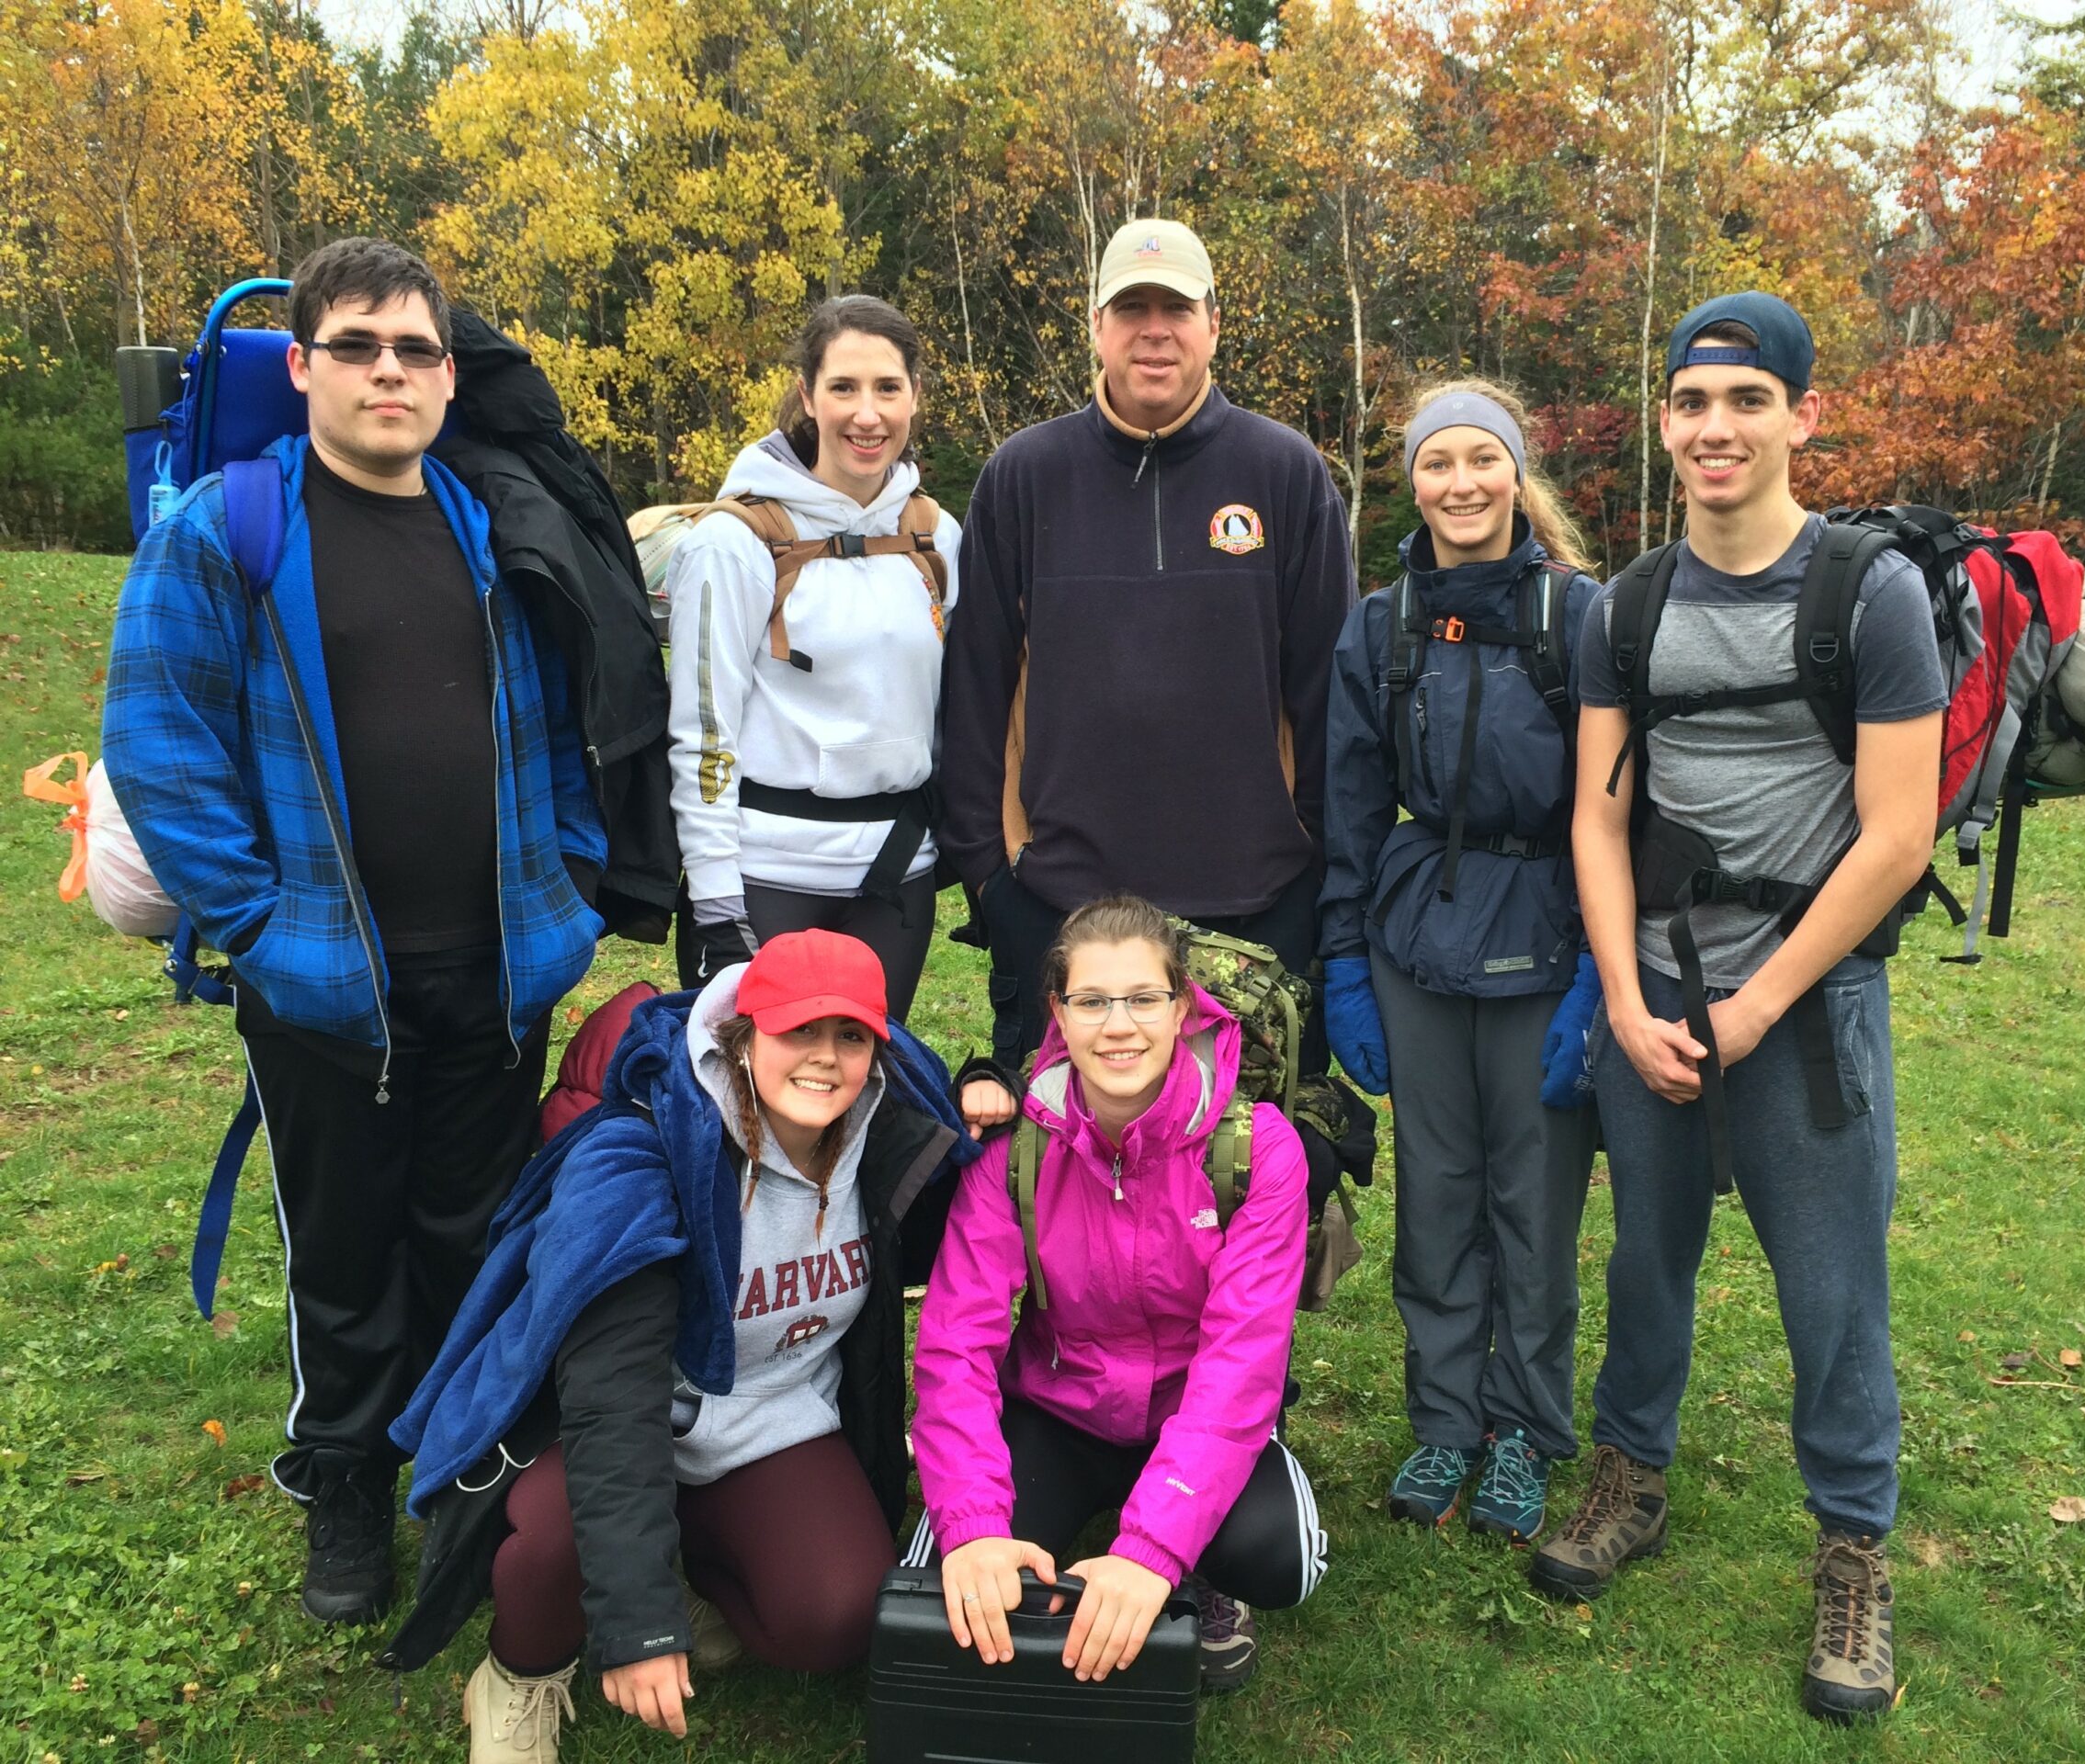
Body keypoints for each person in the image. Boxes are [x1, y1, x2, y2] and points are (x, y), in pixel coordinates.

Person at [102, 237, 605, 1625]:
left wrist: (568, 864)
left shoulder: (491, 525)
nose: (391, 371)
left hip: (496, 968)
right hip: (324, 981)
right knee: (343, 1245)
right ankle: (342, 1489)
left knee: (470, 1235)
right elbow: (160, 748)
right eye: (360, 346)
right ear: (306, 365)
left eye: (416, 350)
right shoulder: (227, 529)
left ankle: (456, 1469)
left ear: (448, 376)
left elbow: (556, 727)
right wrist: (263, 929)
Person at [1535, 292, 1944, 1724]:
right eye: (1693, 404)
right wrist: (1622, 996)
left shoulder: (1868, 595)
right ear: (1667, 422)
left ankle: (1852, 1551)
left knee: (1833, 1289)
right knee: (1648, 1257)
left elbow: (1899, 831)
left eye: (1747, 402)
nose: (1717, 429)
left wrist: (1762, 1006)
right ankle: (1629, 1479)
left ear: (1801, 418)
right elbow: (1597, 818)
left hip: (1807, 1006)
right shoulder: (1628, 604)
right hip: (1651, 996)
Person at [385, 932, 971, 1761]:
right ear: (743, 1034)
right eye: (797, 1031)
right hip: (614, 1419)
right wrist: (637, 1621)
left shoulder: (884, 1132)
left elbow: (978, 1179)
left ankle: (696, 1560)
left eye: (850, 1036)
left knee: (838, 1613)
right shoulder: (644, 1158)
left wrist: (991, 1087)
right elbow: (611, 1396)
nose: (825, 1058)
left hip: (769, 1415)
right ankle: (521, 1674)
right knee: (558, 1538)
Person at [938, 219, 1355, 1066]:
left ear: (1212, 324)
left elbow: (1330, 695)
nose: (1154, 328)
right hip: (1060, 907)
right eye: (1132, 307)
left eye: (1176, 306)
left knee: (1245, 1178)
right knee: (1064, 1181)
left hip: (1255, 904)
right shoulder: (1023, 475)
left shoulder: (1284, 471)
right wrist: (990, 876)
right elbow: (974, 687)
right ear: (1097, 325)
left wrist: (1312, 870)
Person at [907, 896, 1329, 1695]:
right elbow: (957, 1343)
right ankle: (1073, 1530)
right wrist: (971, 1528)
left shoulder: (1258, 1148)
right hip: (1058, 1411)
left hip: (1190, 1409)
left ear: (1183, 1008)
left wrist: (1152, 1554)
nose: (1119, 1026)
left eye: (1144, 999)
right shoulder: (1017, 1148)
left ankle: (1204, 1570)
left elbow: (1241, 1366)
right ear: (1057, 1015)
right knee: (946, 1582)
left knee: (1280, 1558)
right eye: (1092, 1002)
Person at [1320, 380, 1605, 1546]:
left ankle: (1526, 1431)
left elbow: (1618, 809)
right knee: (1435, 1195)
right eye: (1437, 463)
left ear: (1517, 472)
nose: (1460, 484)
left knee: (1533, 1202)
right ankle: (1443, 1419)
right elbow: (1347, 801)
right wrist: (1345, 959)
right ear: (1413, 480)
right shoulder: (1379, 627)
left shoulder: (1581, 618)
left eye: (1482, 459)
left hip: (1547, 935)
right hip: (1417, 943)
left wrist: (1601, 973)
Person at [668, 295, 960, 1015]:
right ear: (807, 394)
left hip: (896, 877)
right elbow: (703, 730)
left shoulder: (935, 536)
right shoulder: (733, 540)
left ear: (915, 397)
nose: (868, 414)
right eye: (844, 388)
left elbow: (961, 709)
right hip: (766, 877)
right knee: (749, 1108)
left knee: (866, 1097)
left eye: (888, 388)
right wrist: (713, 895)